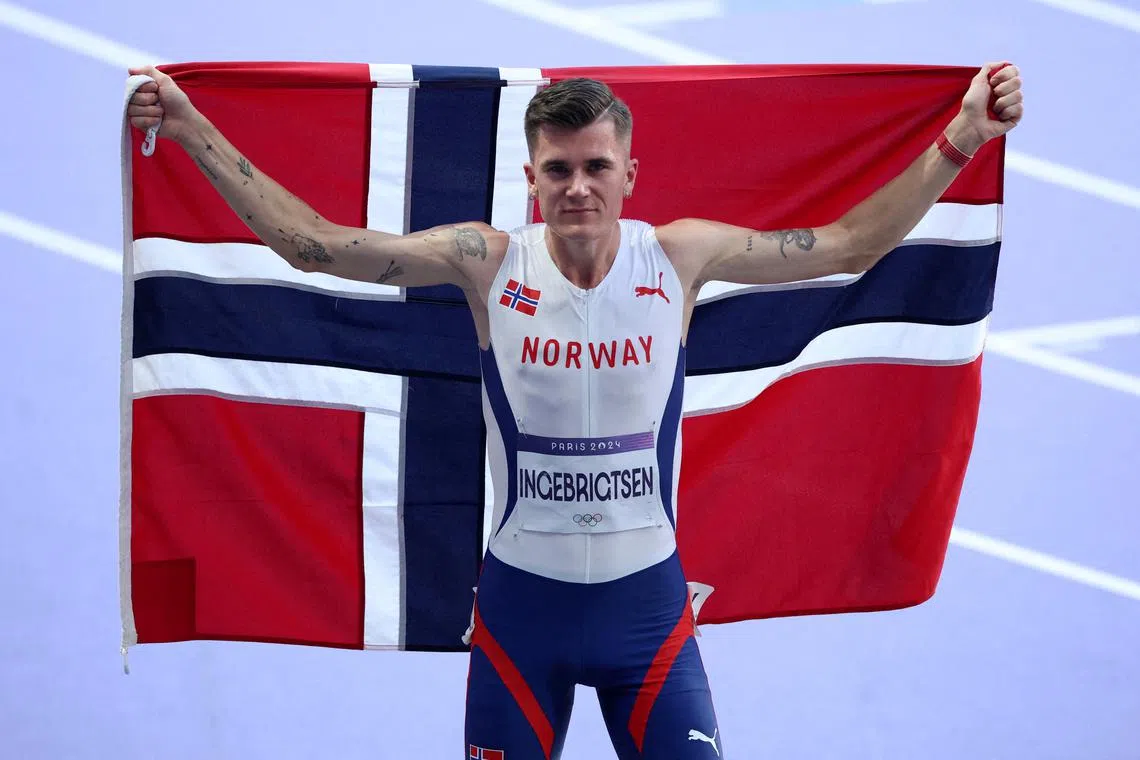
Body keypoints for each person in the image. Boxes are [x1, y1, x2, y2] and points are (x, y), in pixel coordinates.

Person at [127, 61, 1023, 759]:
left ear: (632, 172)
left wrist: (965, 134)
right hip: (523, 616)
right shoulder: (487, 262)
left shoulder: (680, 257)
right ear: (532, 177)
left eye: (598, 167)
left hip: (649, 615)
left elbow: (851, 246)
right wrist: (192, 124)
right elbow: (316, 248)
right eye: (559, 170)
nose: (579, 187)